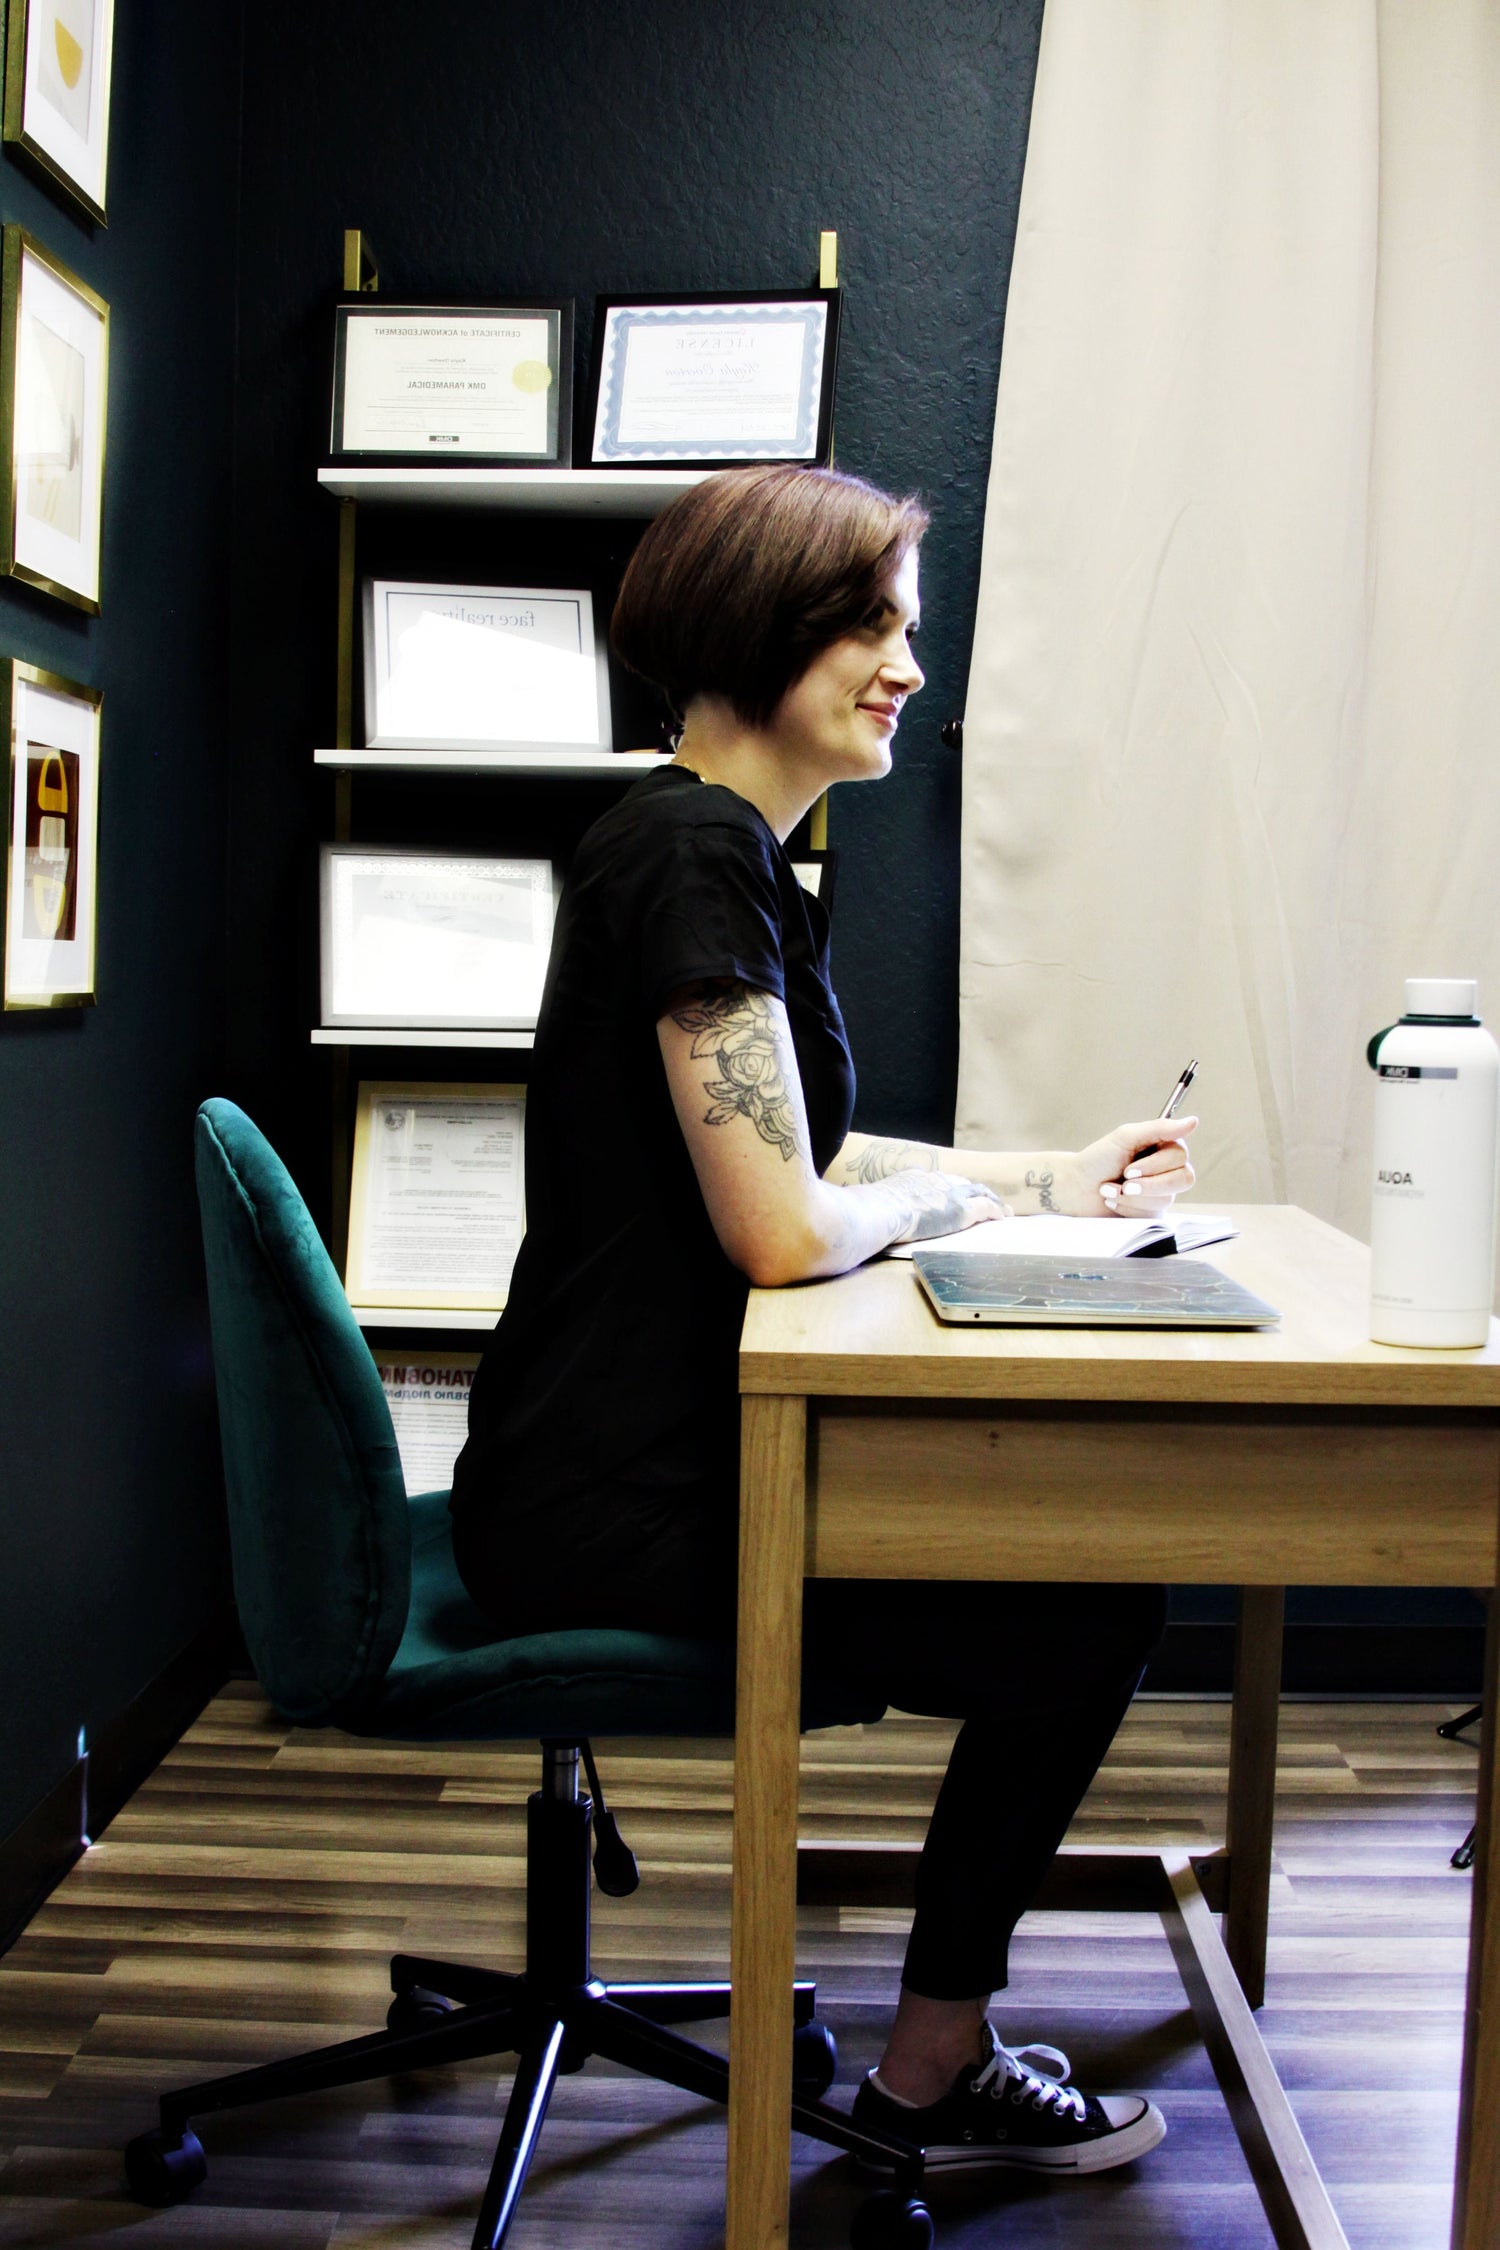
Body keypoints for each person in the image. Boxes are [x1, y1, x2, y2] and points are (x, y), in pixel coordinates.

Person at [451, 463, 1198, 2180]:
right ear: (759, 623)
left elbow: (815, 1152)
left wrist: (1043, 1177)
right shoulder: (699, 853)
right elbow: (788, 1229)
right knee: (1081, 1625)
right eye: (874, 623)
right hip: (607, 1498)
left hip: (600, 1464)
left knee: (1075, 1604)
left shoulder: (708, 850)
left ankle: (939, 2060)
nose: (907, 667)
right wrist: (960, 1209)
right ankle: (930, 2084)